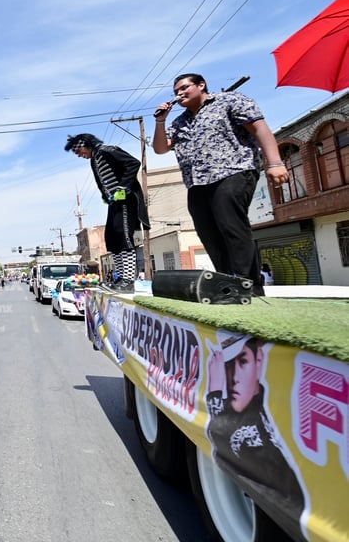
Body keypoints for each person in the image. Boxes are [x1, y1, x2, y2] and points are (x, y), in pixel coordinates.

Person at [152, 73, 289, 295]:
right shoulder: (179, 122)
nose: (179, 94)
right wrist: (160, 121)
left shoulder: (230, 101)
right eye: (176, 91)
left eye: (184, 88)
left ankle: (248, 285)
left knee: (231, 225)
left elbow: (260, 129)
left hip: (234, 171)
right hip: (197, 182)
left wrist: (275, 162)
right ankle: (227, 284)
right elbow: (160, 148)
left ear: (201, 85)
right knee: (208, 233)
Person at [206, 333, 305, 540]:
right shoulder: (257, 409)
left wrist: (214, 392)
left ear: (258, 362)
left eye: (242, 362)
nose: (233, 377)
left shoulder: (256, 434)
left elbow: (222, 434)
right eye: (228, 364)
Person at [65, 133, 150, 293]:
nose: (79, 155)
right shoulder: (94, 159)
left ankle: (129, 280)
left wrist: (122, 187)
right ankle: (120, 278)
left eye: (79, 151)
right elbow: (101, 181)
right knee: (111, 238)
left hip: (125, 200)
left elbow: (133, 163)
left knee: (124, 237)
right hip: (114, 202)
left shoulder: (107, 150)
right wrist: (107, 196)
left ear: (86, 144)